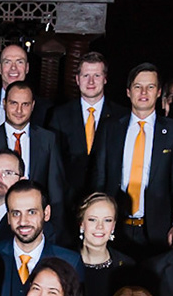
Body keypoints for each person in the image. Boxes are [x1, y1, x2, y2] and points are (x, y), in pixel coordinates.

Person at [87, 63, 173, 257]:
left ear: (159, 92)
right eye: (138, 86)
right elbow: (98, 177)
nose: (143, 92)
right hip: (114, 226)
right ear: (128, 92)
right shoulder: (110, 128)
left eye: (150, 87)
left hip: (157, 230)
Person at [0, 80, 68, 216]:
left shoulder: (48, 140)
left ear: (33, 106)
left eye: (25, 104)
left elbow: (56, 190)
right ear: (4, 103)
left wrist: (55, 224)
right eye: (13, 103)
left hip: (35, 219)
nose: (19, 110)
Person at [46, 52, 121, 195]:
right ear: (77, 79)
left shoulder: (121, 116)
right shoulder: (59, 115)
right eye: (86, 76)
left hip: (108, 197)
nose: (91, 82)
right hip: (69, 198)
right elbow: (54, 163)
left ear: (105, 79)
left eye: (96, 76)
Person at [72, 192, 139, 296]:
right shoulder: (65, 263)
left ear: (113, 226)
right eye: (92, 220)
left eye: (107, 220)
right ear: (81, 224)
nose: (100, 227)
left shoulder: (128, 267)